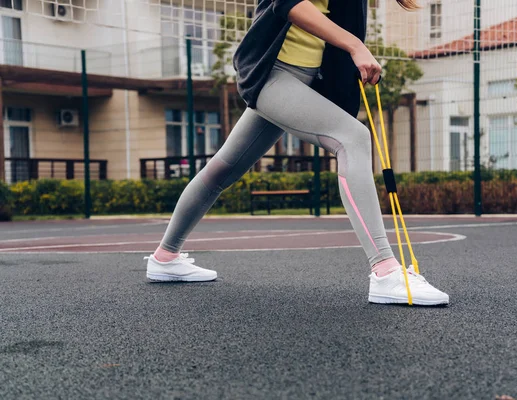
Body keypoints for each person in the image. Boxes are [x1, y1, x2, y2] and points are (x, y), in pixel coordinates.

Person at [145, 0, 449, 306]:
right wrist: (354, 45)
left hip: (306, 82)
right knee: (353, 138)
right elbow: (288, 3)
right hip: (272, 75)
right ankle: (385, 271)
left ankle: (165, 257)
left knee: (224, 167)